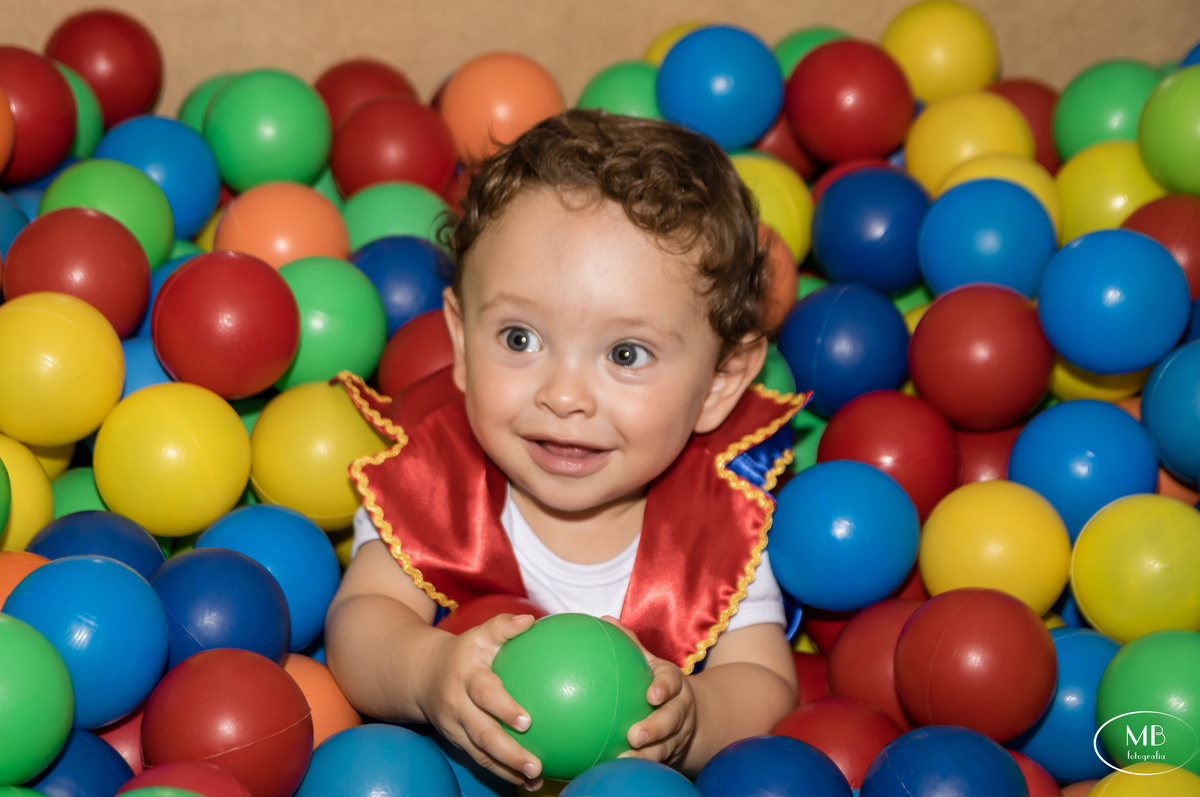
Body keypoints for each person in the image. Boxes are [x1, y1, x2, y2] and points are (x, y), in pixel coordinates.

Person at [325, 109, 809, 789]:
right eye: (520, 339)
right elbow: (358, 623)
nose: (563, 394)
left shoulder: (721, 516)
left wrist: (696, 718)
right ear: (461, 344)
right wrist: (428, 672)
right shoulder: (434, 479)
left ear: (718, 385)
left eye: (626, 353)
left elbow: (763, 680)